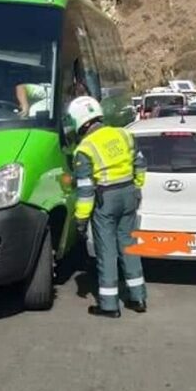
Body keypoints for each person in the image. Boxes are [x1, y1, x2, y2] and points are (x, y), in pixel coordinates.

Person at [67, 95, 148, 318]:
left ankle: (109, 305)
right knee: (129, 246)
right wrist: (136, 187)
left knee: (107, 251)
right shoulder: (124, 134)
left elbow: (85, 191)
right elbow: (140, 164)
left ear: (79, 122)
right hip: (129, 194)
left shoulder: (84, 149)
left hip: (106, 201)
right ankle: (138, 297)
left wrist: (81, 220)